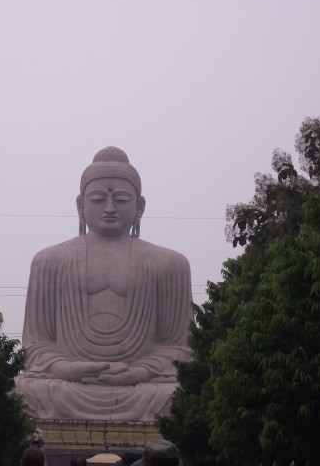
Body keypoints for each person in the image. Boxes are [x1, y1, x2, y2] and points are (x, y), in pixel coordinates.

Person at [15, 146, 193, 421]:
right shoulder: (48, 260)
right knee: (20, 393)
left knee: (181, 396)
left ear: (140, 206)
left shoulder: (170, 263)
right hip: (66, 386)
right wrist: (65, 368)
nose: (109, 208)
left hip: (143, 388)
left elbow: (178, 347)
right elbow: (37, 344)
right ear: (80, 205)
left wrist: (139, 371)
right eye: (98, 199)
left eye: (121, 199)